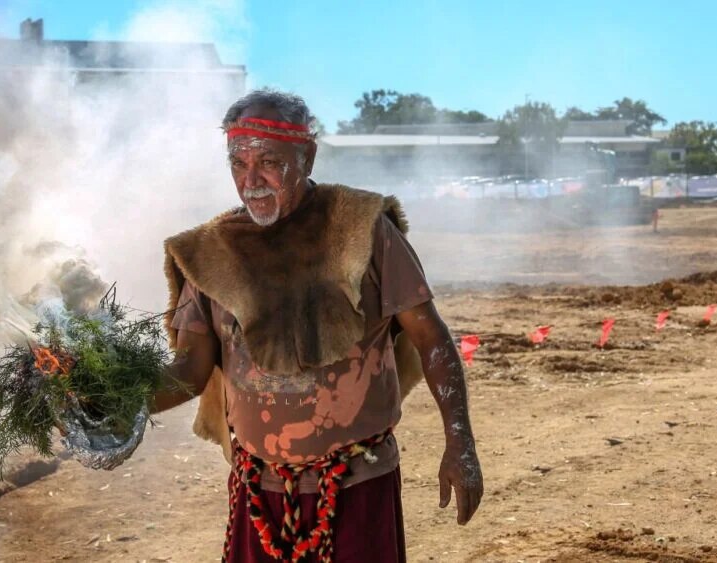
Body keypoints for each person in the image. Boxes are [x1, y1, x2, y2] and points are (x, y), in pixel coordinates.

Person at [153, 89, 482, 562]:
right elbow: (188, 371)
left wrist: (460, 443)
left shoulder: (362, 229)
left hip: (356, 488)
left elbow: (431, 338)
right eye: (238, 163)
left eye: (268, 161)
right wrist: (111, 400)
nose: (252, 180)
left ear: (306, 155)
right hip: (257, 492)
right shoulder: (211, 252)